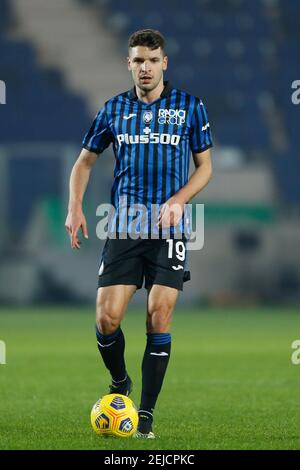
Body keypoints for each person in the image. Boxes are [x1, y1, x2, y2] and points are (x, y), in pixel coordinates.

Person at [65, 29, 213, 438]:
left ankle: (144, 415)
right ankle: (119, 384)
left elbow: (205, 168)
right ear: (128, 64)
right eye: (138, 61)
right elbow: (83, 162)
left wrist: (180, 199)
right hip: (125, 225)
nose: (145, 67)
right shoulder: (113, 109)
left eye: (152, 60)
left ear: (164, 63)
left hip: (171, 228)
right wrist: (75, 207)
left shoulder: (189, 107)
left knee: (158, 314)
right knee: (107, 318)